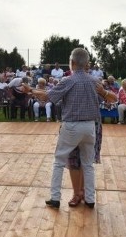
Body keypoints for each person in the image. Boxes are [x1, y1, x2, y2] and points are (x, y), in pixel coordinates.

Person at [32, 48, 116, 209]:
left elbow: (47, 96)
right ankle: (90, 199)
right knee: (88, 164)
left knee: (59, 161)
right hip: (90, 126)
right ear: (85, 63)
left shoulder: (67, 81)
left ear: (73, 63)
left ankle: (55, 197)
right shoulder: (94, 82)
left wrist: (31, 92)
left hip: (71, 125)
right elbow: (112, 99)